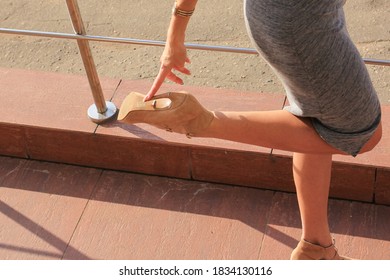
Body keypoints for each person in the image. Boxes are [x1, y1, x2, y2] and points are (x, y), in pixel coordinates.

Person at [118, 0, 382, 259]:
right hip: (303, 24)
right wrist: (175, 32)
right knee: (363, 133)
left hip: (288, 18)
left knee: (314, 125)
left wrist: (175, 32)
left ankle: (316, 249)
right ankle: (197, 120)